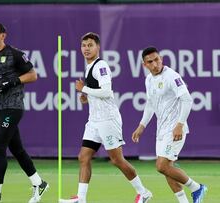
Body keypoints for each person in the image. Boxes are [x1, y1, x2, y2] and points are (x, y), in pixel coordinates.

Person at [59, 32, 152, 203]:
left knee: (117, 160)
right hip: (94, 121)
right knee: (83, 157)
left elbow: (107, 91)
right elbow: (96, 93)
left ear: (98, 47)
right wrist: (85, 97)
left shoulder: (101, 66)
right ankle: (81, 198)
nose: (86, 48)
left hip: (108, 120)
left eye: (90, 45)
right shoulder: (89, 67)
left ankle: (144, 192)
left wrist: (84, 89)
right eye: (84, 45)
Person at [0, 22, 49, 203]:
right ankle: (39, 184)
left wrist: (13, 81)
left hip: (13, 106)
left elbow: (33, 75)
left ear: (3, 35)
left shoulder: (14, 54)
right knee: (17, 149)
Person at [132, 46, 207, 203]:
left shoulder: (172, 76)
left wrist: (179, 124)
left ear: (161, 59)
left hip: (174, 129)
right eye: (150, 62)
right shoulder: (149, 80)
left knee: (162, 166)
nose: (155, 64)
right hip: (162, 130)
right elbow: (151, 104)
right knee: (168, 171)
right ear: (144, 65)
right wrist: (142, 125)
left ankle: (196, 188)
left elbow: (187, 99)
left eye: (157, 60)